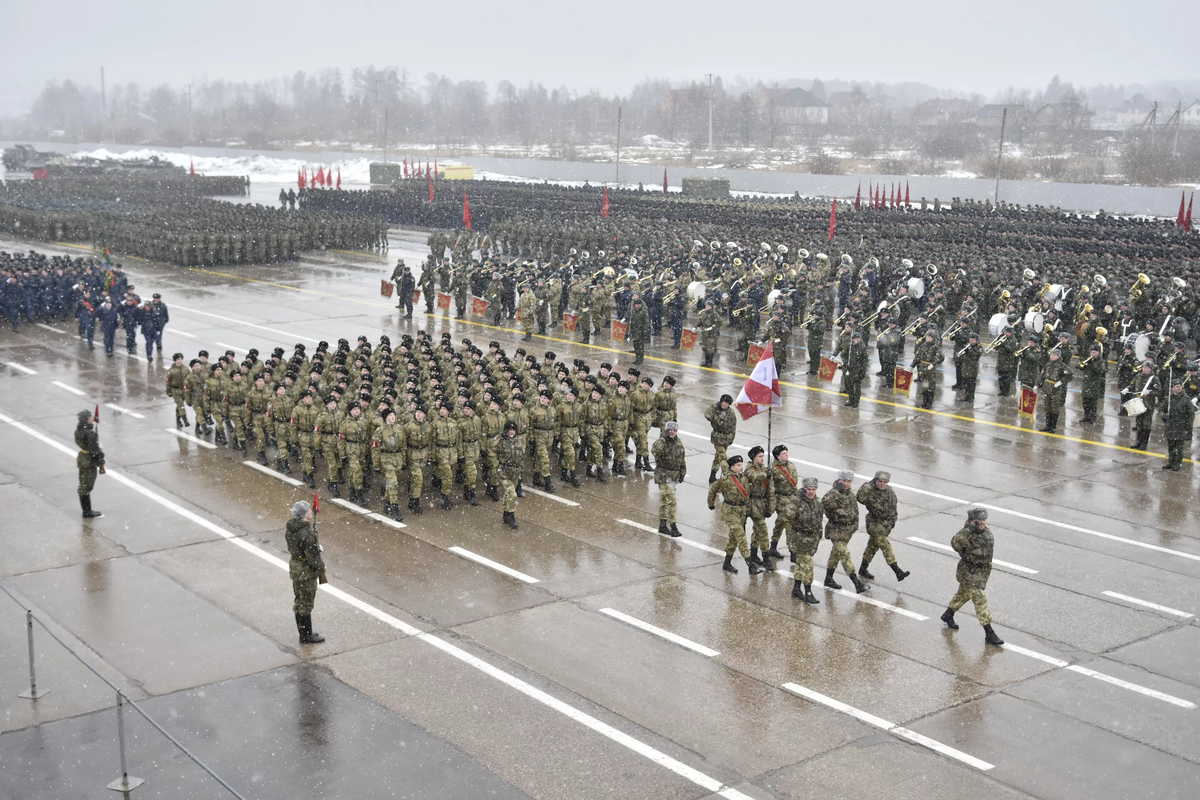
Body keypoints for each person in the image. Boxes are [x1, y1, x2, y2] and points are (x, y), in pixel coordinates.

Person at [941, 508, 1004, 647]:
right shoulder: (966, 534)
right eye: (978, 521)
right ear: (971, 521)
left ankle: (948, 614)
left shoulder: (987, 533)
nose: (981, 523)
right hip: (969, 572)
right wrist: (969, 530)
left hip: (982, 573)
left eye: (983, 520)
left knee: (963, 595)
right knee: (980, 600)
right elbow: (955, 544)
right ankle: (989, 633)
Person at [707, 455, 761, 575]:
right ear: (732, 467)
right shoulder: (726, 480)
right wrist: (710, 503)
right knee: (741, 537)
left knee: (734, 538)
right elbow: (713, 489)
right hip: (730, 511)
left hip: (742, 511)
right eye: (738, 465)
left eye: (741, 464)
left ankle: (727, 562)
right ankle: (750, 564)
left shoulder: (745, 478)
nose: (741, 467)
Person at [855, 470, 910, 582]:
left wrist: (892, 522)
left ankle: (862, 569)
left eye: (885, 481)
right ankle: (897, 570)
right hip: (874, 524)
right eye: (880, 481)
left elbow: (893, 508)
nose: (882, 484)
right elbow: (859, 497)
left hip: (886, 525)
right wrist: (868, 485)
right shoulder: (870, 491)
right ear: (875, 481)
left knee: (872, 547)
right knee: (885, 545)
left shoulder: (890, 491)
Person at [285, 500, 327, 645]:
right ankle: (306, 636)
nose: (311, 511)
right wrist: (321, 568)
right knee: (306, 603)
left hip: (296, 567)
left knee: (299, 601)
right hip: (305, 571)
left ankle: (304, 633)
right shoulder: (306, 533)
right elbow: (313, 558)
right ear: (303, 515)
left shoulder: (291, 528)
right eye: (308, 510)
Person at [822, 469, 869, 592]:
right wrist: (834, 490)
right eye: (843, 481)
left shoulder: (850, 494)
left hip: (847, 531)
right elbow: (825, 504)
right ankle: (857, 583)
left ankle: (828, 578)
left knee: (835, 555)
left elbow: (855, 511)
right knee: (845, 555)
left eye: (848, 481)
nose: (846, 483)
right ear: (839, 480)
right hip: (836, 530)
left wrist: (853, 527)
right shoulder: (834, 493)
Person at [789, 477, 823, 604]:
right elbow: (788, 515)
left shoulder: (818, 502)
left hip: (812, 539)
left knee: (800, 565)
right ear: (804, 489)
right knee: (808, 565)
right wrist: (797, 500)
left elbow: (819, 521)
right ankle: (808, 592)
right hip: (800, 538)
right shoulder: (797, 501)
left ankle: (796, 589)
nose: (811, 492)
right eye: (808, 489)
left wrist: (818, 537)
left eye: (813, 489)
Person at [651, 421, 686, 536]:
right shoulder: (662, 441)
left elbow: (682, 458)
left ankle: (662, 525)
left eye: (674, 430)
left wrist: (682, 472)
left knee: (665, 501)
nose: (672, 432)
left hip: (673, 476)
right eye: (670, 430)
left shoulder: (678, 443)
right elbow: (654, 451)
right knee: (672, 500)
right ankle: (673, 526)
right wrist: (662, 440)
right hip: (663, 475)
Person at [75, 409, 104, 518]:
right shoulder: (90, 433)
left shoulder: (78, 431)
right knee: (87, 485)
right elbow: (94, 450)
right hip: (89, 460)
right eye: (90, 416)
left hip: (82, 457)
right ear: (86, 419)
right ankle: (87, 511)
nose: (92, 417)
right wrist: (100, 456)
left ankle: (86, 510)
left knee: (83, 482)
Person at [1161, 379, 1196, 470]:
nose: (1179, 388)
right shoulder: (1168, 399)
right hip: (1170, 425)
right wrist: (1164, 416)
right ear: (1172, 387)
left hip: (1181, 426)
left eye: (1180, 386)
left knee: (1179, 447)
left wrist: (1188, 427)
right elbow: (1161, 410)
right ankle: (1171, 462)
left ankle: (1177, 463)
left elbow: (1191, 414)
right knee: (1171, 445)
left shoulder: (1186, 399)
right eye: (1177, 386)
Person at [703, 394, 737, 483]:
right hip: (718, 436)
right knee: (722, 457)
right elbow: (707, 414)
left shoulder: (731, 413)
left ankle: (712, 474)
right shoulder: (716, 409)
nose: (723, 404)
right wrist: (715, 407)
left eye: (726, 403)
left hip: (726, 438)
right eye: (722, 402)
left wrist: (731, 438)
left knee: (718, 457)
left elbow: (733, 427)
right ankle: (727, 475)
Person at [497, 420, 522, 528]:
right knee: (512, 493)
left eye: (513, 430)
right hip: (504, 470)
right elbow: (493, 451)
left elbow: (521, 456)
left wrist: (520, 469)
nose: (511, 432)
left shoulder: (518, 441)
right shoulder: (500, 441)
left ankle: (506, 513)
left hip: (515, 472)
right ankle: (511, 515)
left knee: (508, 493)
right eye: (509, 430)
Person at [842, 329, 869, 407]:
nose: (857, 340)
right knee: (849, 386)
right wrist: (846, 363)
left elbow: (865, 362)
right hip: (849, 369)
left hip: (858, 370)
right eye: (855, 338)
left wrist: (863, 372)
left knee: (857, 387)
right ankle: (851, 400)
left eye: (858, 338)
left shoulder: (862, 348)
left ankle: (856, 402)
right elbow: (844, 355)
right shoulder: (849, 346)